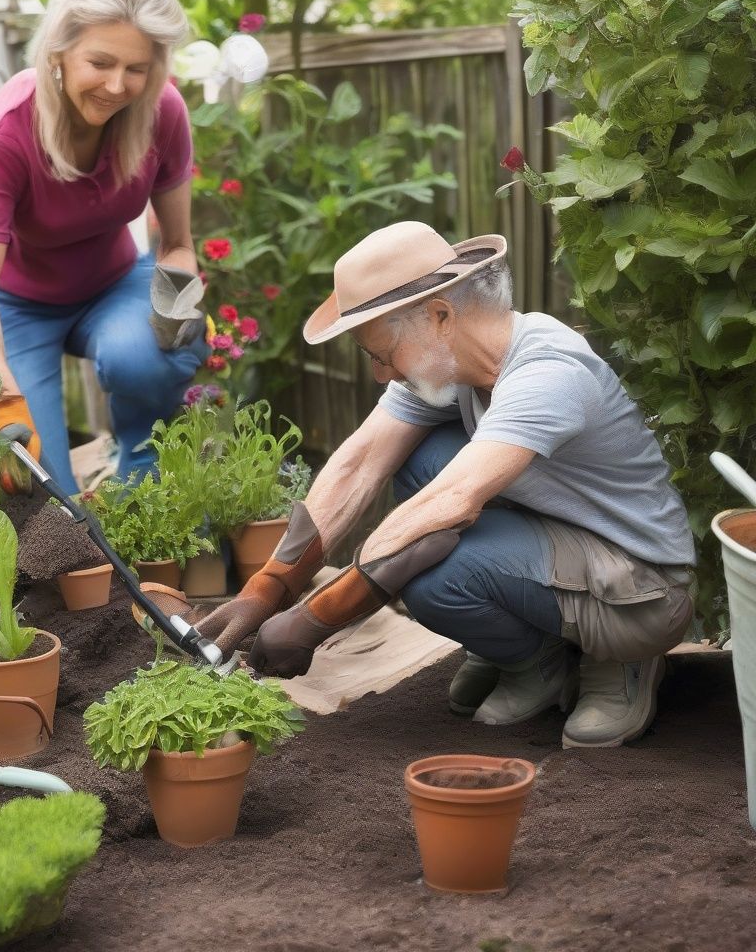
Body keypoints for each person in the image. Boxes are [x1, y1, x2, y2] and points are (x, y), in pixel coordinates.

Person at [196, 221, 696, 749]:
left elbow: (451, 501)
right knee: (420, 461)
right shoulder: (450, 364)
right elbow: (360, 462)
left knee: (432, 572)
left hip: (638, 591)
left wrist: (317, 617)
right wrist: (270, 587)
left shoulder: (548, 372)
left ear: (438, 317)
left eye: (382, 355)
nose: (380, 375)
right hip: (562, 545)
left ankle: (622, 665)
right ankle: (534, 660)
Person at [0, 0, 206, 495]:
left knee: (141, 359)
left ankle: (145, 483)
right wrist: (1, 399)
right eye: (101, 62)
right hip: (20, 309)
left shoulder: (162, 112)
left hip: (115, 287)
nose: (118, 86)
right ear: (59, 53)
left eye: (136, 69)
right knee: (46, 492)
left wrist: (176, 305)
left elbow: (179, 244)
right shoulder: (8, 136)